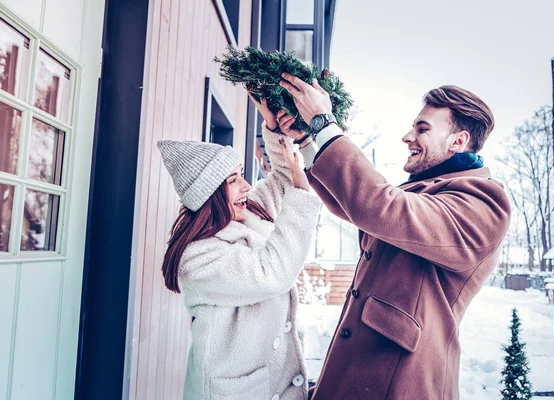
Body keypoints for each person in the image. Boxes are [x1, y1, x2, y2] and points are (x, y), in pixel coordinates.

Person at [278, 75, 511, 400]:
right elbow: (360, 208)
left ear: (458, 141)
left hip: (403, 385)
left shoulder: (483, 201)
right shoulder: (422, 192)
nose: (408, 137)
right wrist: (306, 140)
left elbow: (380, 206)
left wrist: (325, 126)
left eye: (422, 128)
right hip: (359, 376)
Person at [157, 96, 321, 400]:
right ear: (210, 194)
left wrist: (275, 132)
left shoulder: (248, 213)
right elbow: (273, 273)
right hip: (235, 391)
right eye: (234, 180)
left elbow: (282, 179)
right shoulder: (197, 257)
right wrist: (302, 193)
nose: (246, 186)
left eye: (242, 175)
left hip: (270, 382)